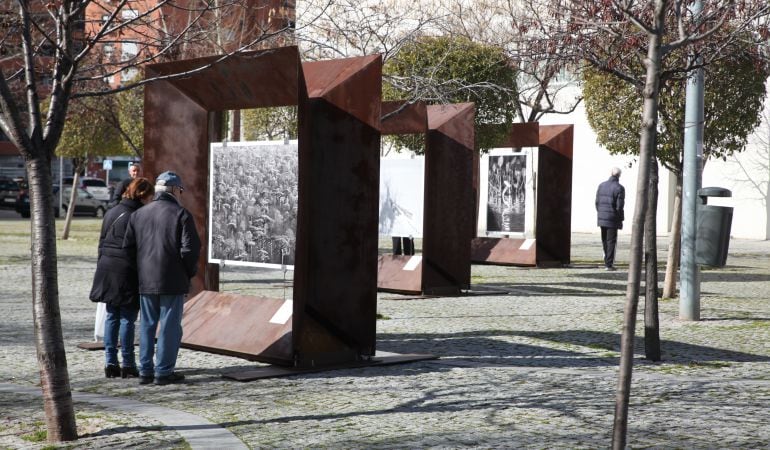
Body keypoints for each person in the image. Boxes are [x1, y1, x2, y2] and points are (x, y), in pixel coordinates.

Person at [124, 171, 201, 385]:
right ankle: (163, 371)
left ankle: (146, 370)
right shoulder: (181, 214)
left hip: (146, 279)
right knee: (169, 326)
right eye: (180, 191)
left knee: (147, 325)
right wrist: (188, 272)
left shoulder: (138, 214)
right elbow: (190, 249)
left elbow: (128, 249)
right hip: (172, 279)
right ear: (175, 190)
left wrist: (139, 270)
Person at [89, 177, 155, 378]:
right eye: (151, 196)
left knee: (112, 316)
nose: (152, 200)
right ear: (142, 195)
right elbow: (140, 247)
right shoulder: (139, 215)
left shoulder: (111, 212)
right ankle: (127, 363)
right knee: (127, 318)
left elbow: (102, 242)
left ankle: (110, 362)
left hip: (107, 268)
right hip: (127, 270)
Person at [595, 167, 625, 271]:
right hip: (613, 218)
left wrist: (600, 213)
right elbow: (619, 206)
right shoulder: (619, 188)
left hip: (602, 217)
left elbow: (597, 202)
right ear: (619, 175)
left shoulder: (601, 185)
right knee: (611, 241)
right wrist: (620, 218)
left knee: (604, 240)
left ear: (610, 173)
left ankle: (606, 260)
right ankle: (609, 264)